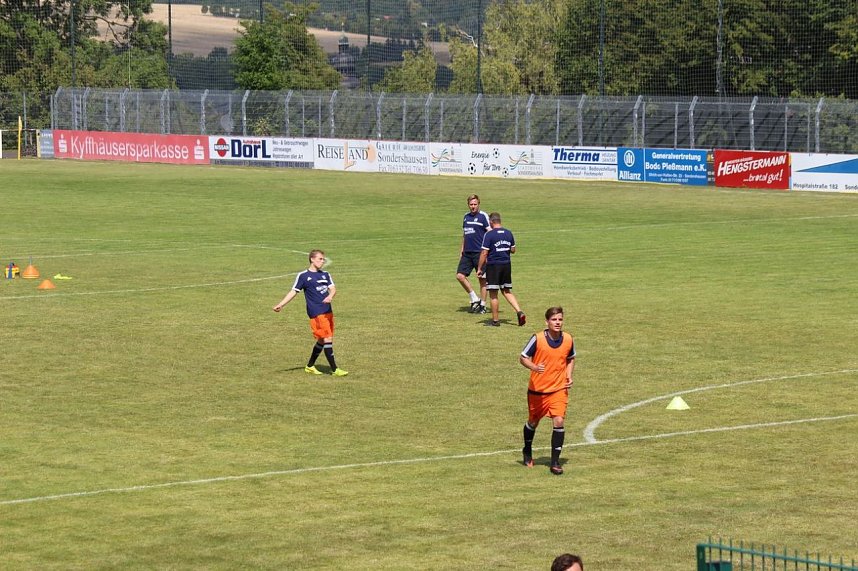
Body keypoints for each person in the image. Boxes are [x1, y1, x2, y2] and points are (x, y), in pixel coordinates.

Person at [273, 250, 348, 377]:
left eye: (323, 259)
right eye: (320, 259)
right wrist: (281, 304)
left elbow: (333, 289)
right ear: (312, 259)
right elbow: (293, 291)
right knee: (327, 338)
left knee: (322, 340)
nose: (322, 261)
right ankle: (335, 369)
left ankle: (309, 366)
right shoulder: (303, 276)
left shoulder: (325, 274)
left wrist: (330, 296)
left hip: (327, 311)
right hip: (316, 312)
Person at [520, 306, 576, 475]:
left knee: (558, 421)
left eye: (560, 319)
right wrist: (534, 367)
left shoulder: (568, 339)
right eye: (554, 320)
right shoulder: (537, 338)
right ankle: (527, 450)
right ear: (547, 322)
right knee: (533, 422)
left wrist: (568, 376)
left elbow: (571, 358)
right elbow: (523, 357)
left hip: (558, 389)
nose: (557, 322)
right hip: (538, 391)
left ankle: (555, 462)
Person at [476, 211, 526, 327]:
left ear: (491, 222)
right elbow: (513, 250)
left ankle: (495, 321)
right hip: (506, 265)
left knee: (493, 293)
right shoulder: (508, 233)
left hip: (494, 266)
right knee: (506, 290)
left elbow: (484, 253)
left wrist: (479, 268)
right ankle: (519, 311)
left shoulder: (489, 234)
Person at [456, 194, 491, 314]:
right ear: (468, 205)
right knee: (460, 276)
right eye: (471, 204)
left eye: (475, 204)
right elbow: (465, 234)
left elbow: (490, 233)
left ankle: (483, 305)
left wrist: (488, 250)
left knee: (482, 279)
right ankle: (474, 298)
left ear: (479, 204)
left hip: (480, 253)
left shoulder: (483, 216)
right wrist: (462, 249)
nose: (473, 207)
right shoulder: (466, 217)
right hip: (467, 253)